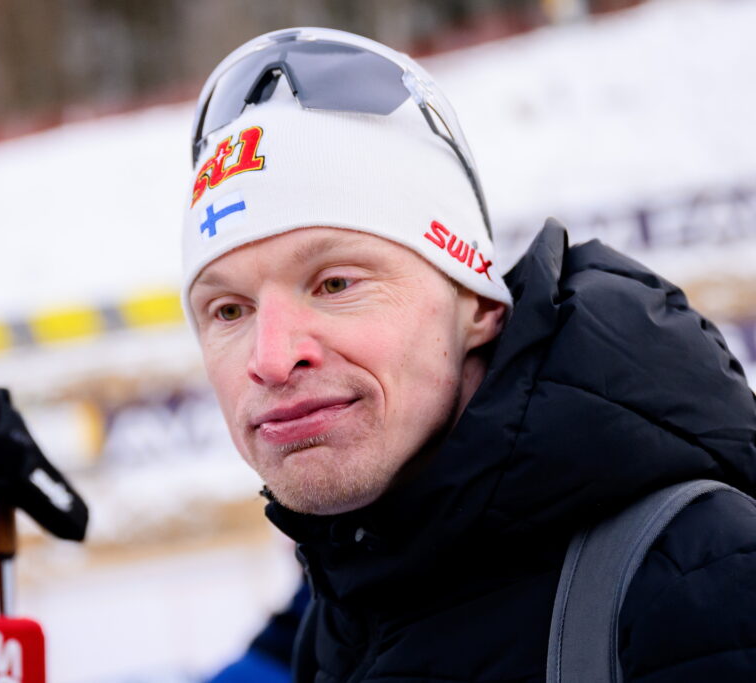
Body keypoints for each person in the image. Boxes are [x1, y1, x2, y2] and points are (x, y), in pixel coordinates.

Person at [180, 27, 756, 682]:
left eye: (336, 283)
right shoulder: (343, 612)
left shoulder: (695, 579)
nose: (272, 357)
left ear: (479, 304)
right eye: (228, 310)